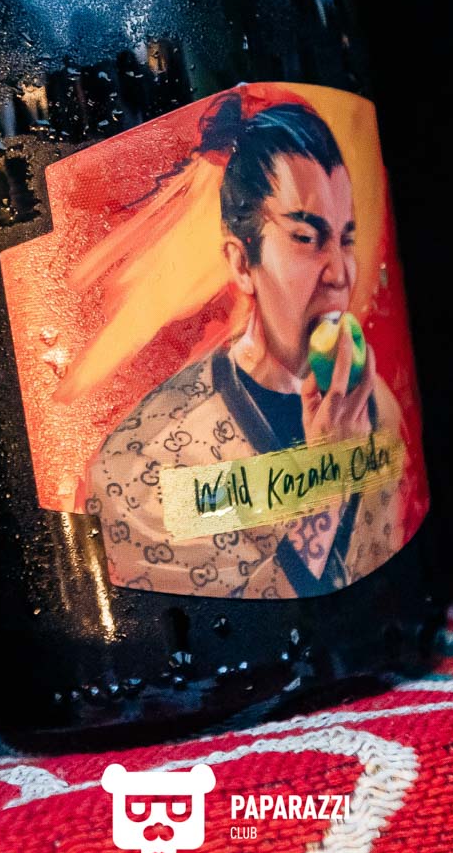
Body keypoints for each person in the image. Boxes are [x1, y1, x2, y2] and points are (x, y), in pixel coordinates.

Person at [80, 93, 409, 598]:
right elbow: (238, 618)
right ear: (240, 263)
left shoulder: (376, 406)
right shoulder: (149, 458)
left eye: (346, 239)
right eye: (306, 238)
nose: (340, 274)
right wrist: (330, 471)